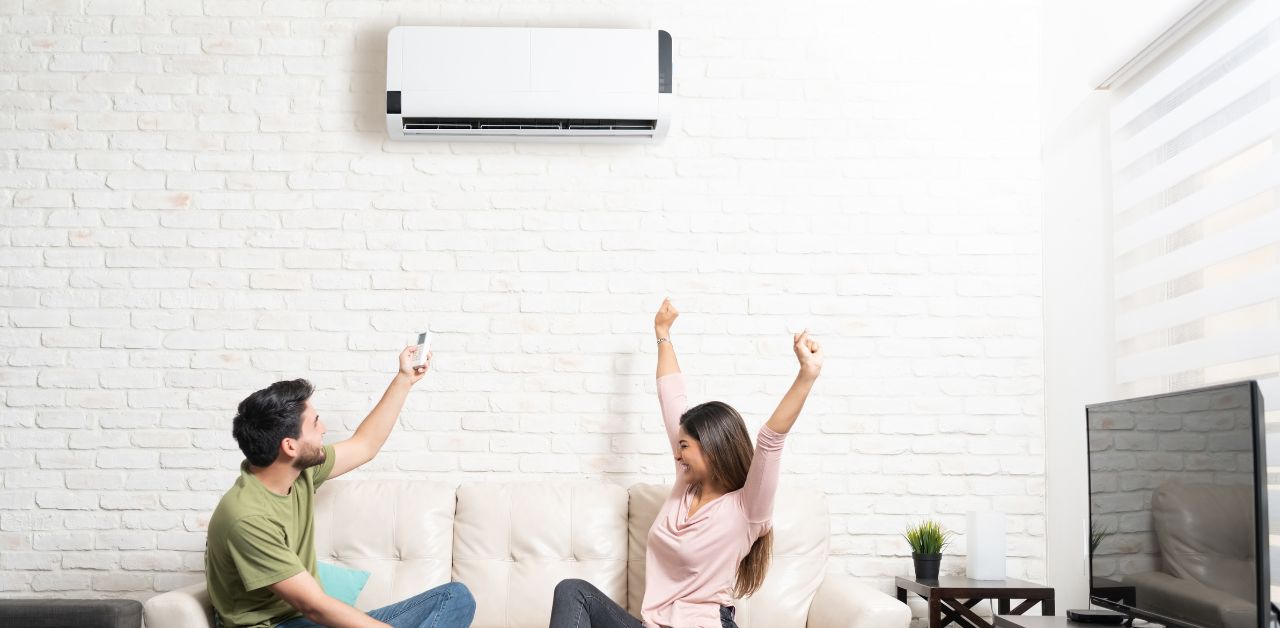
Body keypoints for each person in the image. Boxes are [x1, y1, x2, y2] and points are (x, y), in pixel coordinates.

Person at [548, 298, 824, 628]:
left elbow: (770, 441)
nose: (677, 455)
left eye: (684, 446)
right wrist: (662, 333)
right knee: (573, 591)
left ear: (710, 448)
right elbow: (672, 398)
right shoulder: (685, 483)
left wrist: (807, 374)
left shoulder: (747, 508)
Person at [205, 346, 475, 628]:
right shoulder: (247, 518)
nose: (323, 429)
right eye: (315, 423)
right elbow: (314, 606)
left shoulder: (299, 473)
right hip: (276, 625)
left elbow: (365, 445)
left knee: (455, 597)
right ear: (289, 446)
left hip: (307, 621)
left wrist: (404, 378)